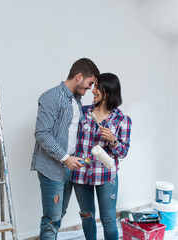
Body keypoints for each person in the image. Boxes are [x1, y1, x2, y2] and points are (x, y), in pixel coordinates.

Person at [31, 58, 100, 239]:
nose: (90, 89)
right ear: (79, 76)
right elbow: (41, 134)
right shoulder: (52, 97)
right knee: (51, 220)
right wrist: (65, 158)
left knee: (58, 216)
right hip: (52, 168)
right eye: (89, 83)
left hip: (68, 169)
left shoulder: (76, 101)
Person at [71, 73, 132, 240]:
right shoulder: (82, 112)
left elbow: (123, 152)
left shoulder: (122, 120)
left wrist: (112, 140)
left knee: (109, 220)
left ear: (108, 91)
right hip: (81, 174)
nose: (93, 90)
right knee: (87, 216)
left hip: (106, 176)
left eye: (97, 87)